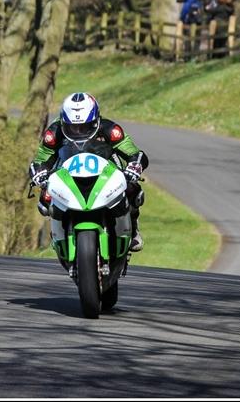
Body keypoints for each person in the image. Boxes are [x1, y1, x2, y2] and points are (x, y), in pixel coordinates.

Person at [28, 92, 150, 274]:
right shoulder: (54, 133)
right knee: (45, 197)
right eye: (73, 127)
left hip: (105, 173)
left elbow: (135, 152)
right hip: (67, 174)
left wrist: (134, 166)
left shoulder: (110, 129)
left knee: (132, 187)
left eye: (84, 127)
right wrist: (38, 173)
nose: (78, 132)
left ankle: (133, 230)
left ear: (95, 120)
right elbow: (40, 160)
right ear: (63, 122)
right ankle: (59, 238)